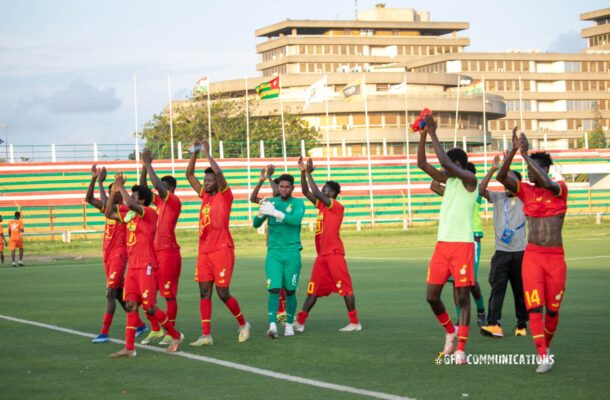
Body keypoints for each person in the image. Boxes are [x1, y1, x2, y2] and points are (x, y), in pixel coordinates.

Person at [496, 128, 568, 374]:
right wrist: (515, 151)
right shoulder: (525, 190)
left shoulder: (560, 188)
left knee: (553, 310)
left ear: (544, 169)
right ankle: (542, 354)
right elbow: (502, 176)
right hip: (533, 257)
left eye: (531, 168)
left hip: (556, 258)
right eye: (526, 169)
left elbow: (548, 183)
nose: (527, 173)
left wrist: (526, 155)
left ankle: (546, 346)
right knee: (534, 307)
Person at [417, 114, 478, 365]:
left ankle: (461, 347)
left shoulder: (470, 181)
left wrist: (432, 132)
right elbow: (422, 163)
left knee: (462, 299)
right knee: (431, 296)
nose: (442, 169)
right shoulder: (449, 181)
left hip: (462, 245)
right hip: (442, 246)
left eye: (448, 165)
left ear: (457, 165)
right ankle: (450, 331)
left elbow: (441, 160)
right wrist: (422, 135)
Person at [104, 172, 183, 357]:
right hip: (132, 267)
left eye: (134, 195)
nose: (130, 198)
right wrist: (113, 194)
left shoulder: (149, 213)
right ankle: (129, 348)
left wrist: (120, 185)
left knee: (149, 307)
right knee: (131, 305)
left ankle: (176, 335)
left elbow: (130, 204)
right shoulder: (131, 216)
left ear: (142, 200)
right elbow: (108, 213)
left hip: (146, 266)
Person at [186, 141, 250, 347]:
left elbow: (220, 174)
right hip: (204, 252)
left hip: (222, 249)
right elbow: (189, 175)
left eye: (209, 180)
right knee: (204, 292)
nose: (205, 183)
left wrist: (207, 153)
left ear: (216, 182)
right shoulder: (204, 195)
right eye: (205, 180)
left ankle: (243, 324)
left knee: (223, 293)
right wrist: (194, 154)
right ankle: (206, 335)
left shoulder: (225, 196)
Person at [294, 157, 361, 333]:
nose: (322, 190)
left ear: (331, 194)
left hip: (334, 254)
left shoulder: (336, 206)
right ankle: (300, 322)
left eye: (325, 189)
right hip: (322, 256)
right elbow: (306, 191)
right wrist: (303, 172)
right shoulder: (323, 208)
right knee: (312, 289)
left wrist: (308, 172)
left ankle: (354, 322)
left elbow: (315, 191)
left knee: (346, 289)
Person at [86, 164, 147, 343]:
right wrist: (94, 180)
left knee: (110, 293)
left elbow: (108, 205)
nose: (112, 192)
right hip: (107, 254)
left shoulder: (127, 211)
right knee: (119, 292)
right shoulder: (110, 209)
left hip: (119, 255)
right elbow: (89, 198)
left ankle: (104, 332)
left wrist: (109, 186)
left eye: (115, 191)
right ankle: (140, 324)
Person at [430, 162, 486, 328]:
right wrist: (443, 170)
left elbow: (482, 186)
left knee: (472, 282)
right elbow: (434, 185)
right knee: (456, 283)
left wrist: (492, 169)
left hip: (471, 238)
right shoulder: (452, 190)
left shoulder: (473, 189)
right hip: (452, 241)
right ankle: (458, 319)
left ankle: (481, 309)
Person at [479, 155, 528, 338]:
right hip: (501, 253)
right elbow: (481, 190)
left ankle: (521, 325)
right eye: (505, 183)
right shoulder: (498, 198)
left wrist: (511, 157)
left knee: (520, 291)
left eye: (510, 183)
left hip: (520, 253)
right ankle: (493, 324)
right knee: (497, 288)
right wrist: (492, 169)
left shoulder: (525, 198)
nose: (507, 186)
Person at [253, 172, 305, 338]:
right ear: (278, 187)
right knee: (274, 289)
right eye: (281, 186)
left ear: (292, 188)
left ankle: (289, 325)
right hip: (274, 253)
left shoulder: (298, 203)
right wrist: (262, 212)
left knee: (290, 291)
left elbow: (295, 220)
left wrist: (275, 213)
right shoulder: (270, 202)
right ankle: (273, 325)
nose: (283, 189)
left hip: (292, 253)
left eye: (287, 187)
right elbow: (256, 224)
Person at [139, 149, 183, 346]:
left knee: (168, 295)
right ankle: (156, 330)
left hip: (169, 253)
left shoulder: (173, 202)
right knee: (147, 293)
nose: (159, 190)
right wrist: (143, 166)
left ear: (171, 188)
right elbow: (144, 190)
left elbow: (155, 185)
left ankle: (169, 331)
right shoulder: (159, 203)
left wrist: (149, 163)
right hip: (153, 253)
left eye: (164, 187)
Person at [249, 165, 288, 323]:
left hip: (288, 247)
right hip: (274, 248)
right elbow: (253, 199)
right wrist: (261, 180)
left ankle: (285, 311)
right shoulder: (269, 203)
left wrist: (270, 178)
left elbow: (277, 193)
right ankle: (281, 311)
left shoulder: (288, 203)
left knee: (286, 284)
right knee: (276, 282)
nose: (276, 190)